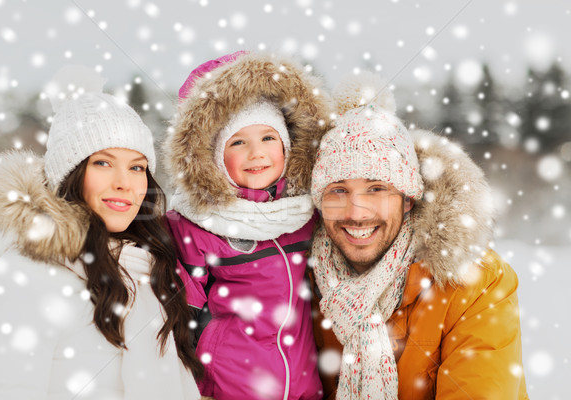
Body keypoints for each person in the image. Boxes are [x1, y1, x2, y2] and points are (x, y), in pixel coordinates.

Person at [0, 67, 202, 399]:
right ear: (69, 174)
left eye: (137, 167)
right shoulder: (22, 278)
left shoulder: (142, 272)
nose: (125, 182)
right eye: (103, 163)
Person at [309, 72, 529, 399]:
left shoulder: (474, 282)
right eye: (338, 190)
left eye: (376, 188)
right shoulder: (296, 281)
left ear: (408, 199)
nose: (356, 212)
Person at [164, 51, 331, 400]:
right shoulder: (196, 226)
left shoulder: (305, 215)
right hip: (230, 388)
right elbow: (181, 320)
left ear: (287, 146)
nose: (257, 154)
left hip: (304, 386)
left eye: (268, 138)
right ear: (214, 157)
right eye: (239, 142)